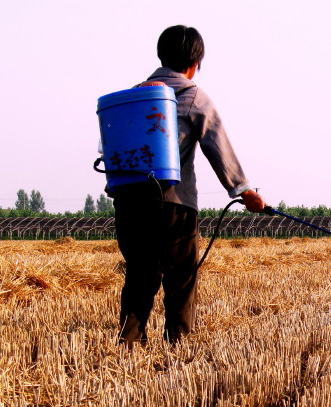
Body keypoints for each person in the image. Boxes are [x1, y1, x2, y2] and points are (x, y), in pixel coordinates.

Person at [110, 24, 266, 345]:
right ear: (194, 65)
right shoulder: (194, 96)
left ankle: (126, 347)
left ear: (160, 56)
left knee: (139, 276)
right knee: (180, 279)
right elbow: (217, 146)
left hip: (130, 205)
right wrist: (244, 191)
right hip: (174, 206)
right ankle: (177, 348)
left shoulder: (132, 96)